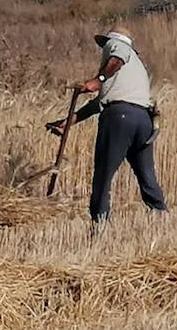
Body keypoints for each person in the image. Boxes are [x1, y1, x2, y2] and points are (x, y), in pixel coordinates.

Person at [46, 25, 167, 223]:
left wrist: (98, 80)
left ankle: (99, 226)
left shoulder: (116, 47)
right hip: (144, 121)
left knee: (103, 176)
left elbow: (115, 61)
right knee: (147, 177)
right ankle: (161, 218)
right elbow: (100, 102)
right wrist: (68, 122)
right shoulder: (137, 65)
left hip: (119, 119)